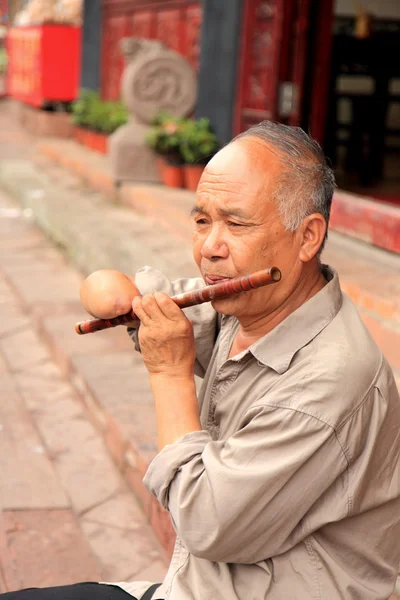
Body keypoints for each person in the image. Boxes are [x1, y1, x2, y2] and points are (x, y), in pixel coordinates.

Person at [4, 121, 400, 600]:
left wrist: (170, 373)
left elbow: (203, 521)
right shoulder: (249, 304)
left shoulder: (329, 380)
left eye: (235, 224)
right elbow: (140, 299)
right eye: (201, 221)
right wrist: (110, 291)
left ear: (307, 237)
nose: (210, 247)